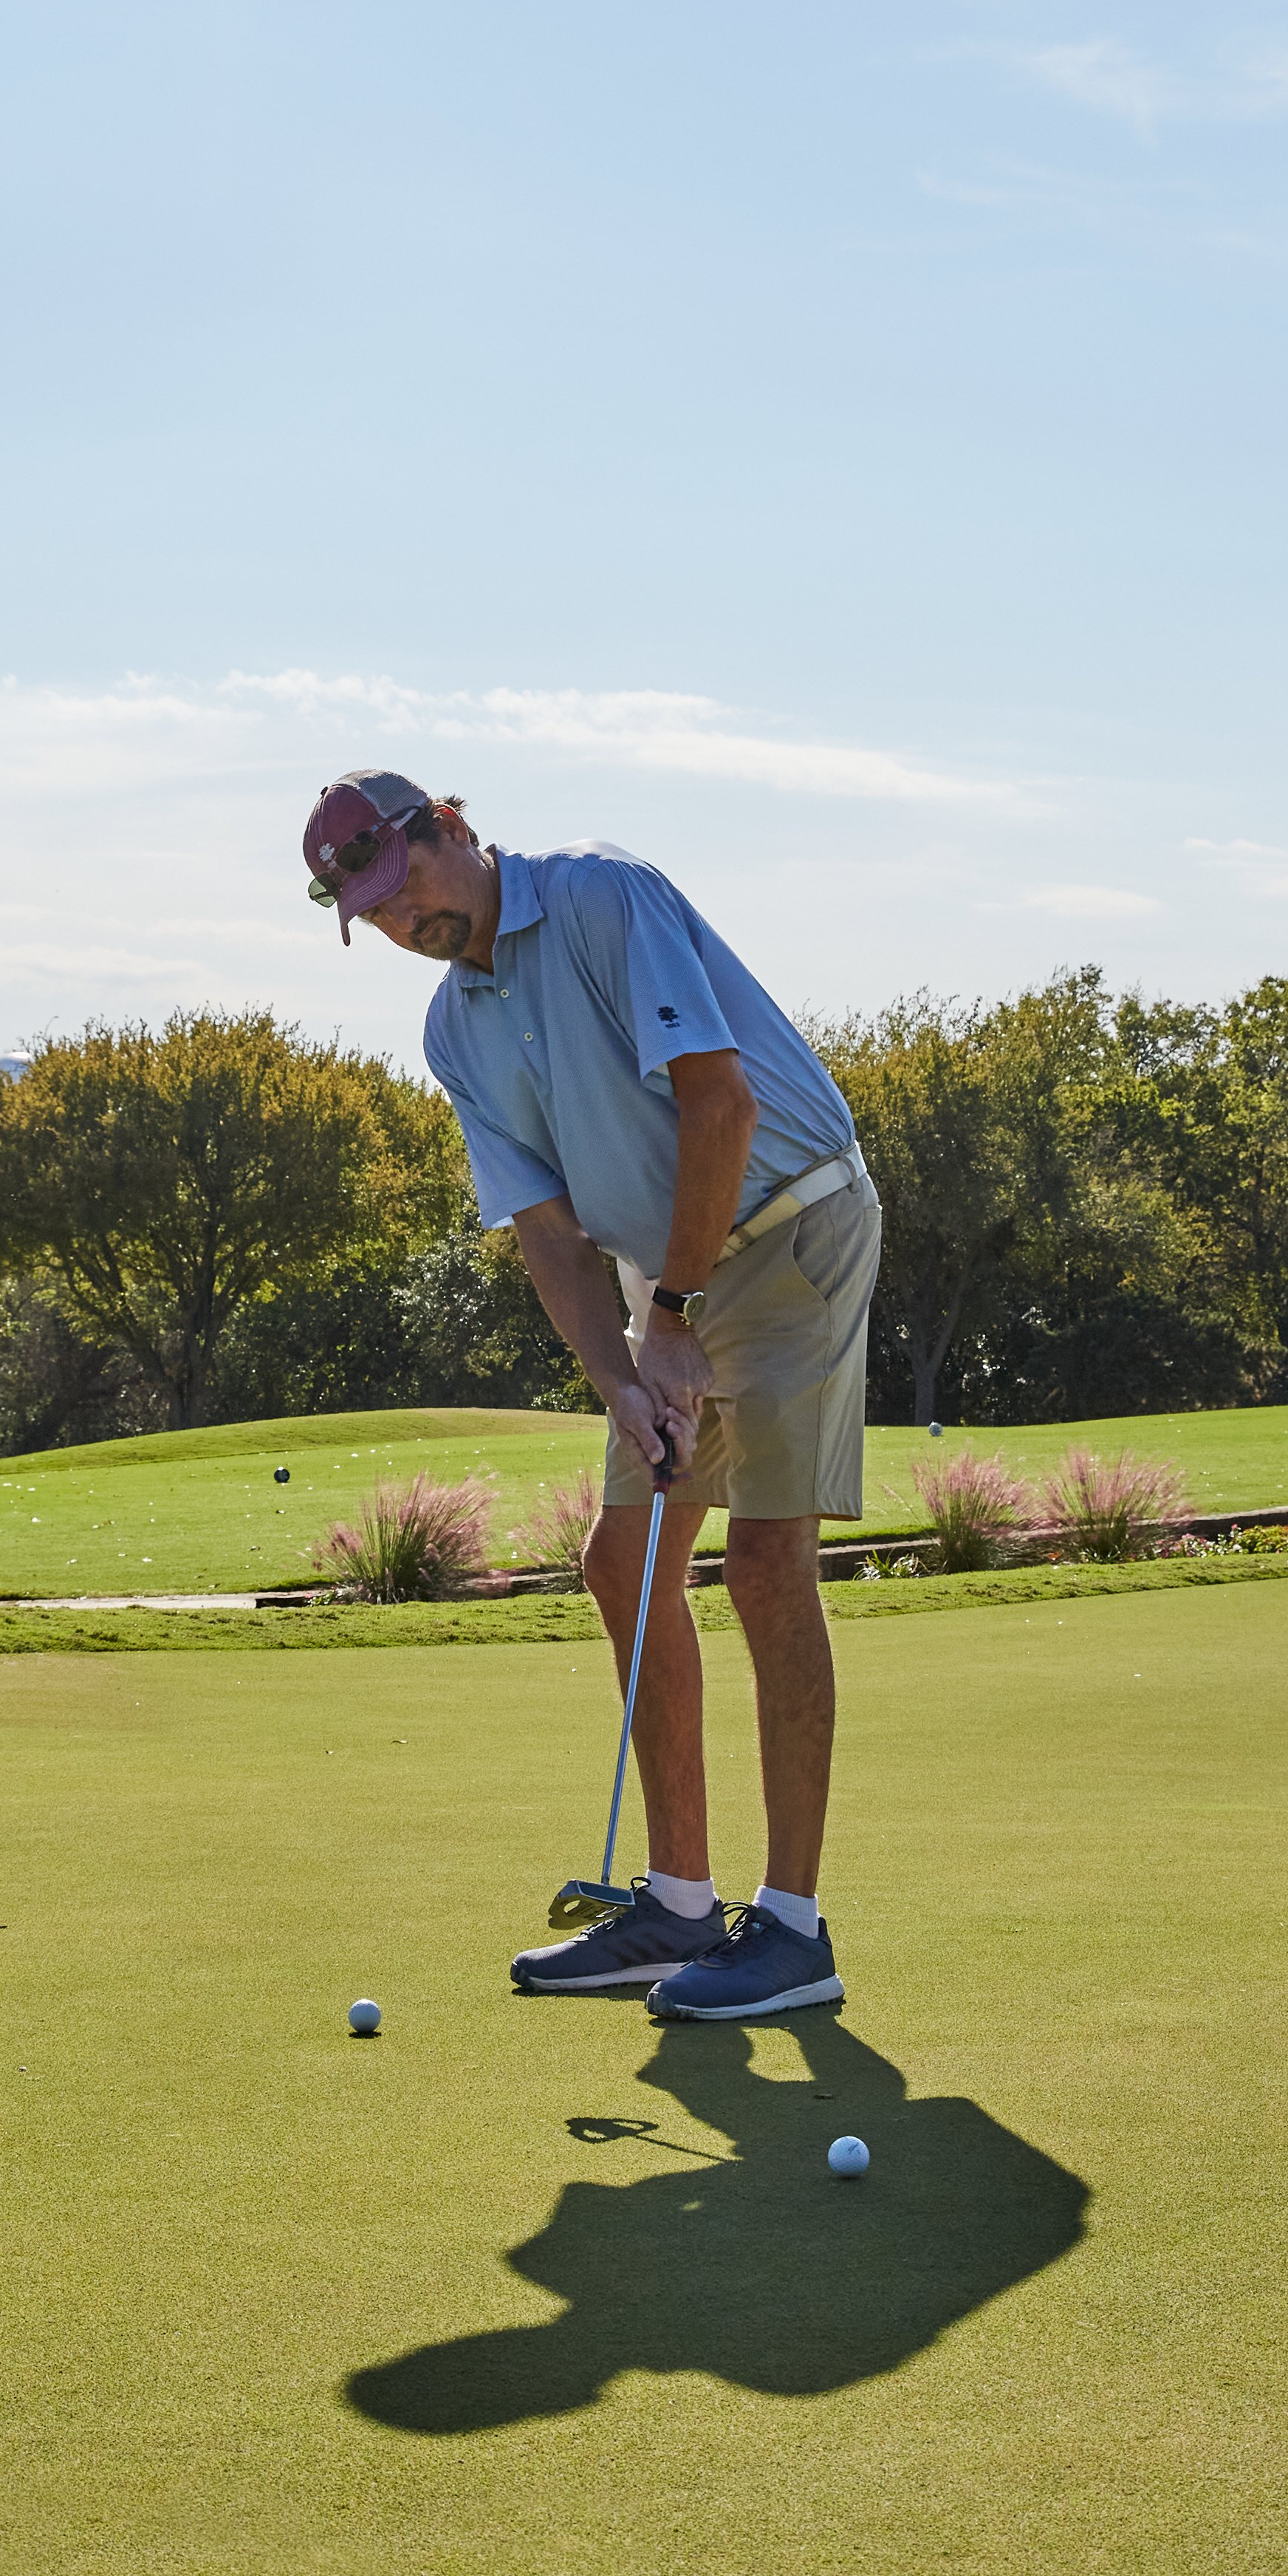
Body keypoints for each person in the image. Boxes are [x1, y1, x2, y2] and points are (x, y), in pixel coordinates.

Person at [304, 770, 880, 2021]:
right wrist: (622, 1379)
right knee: (625, 1564)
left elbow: (719, 1103)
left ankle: (793, 1929)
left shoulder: (602, 896)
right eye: (379, 916)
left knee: (765, 1563)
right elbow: (548, 1234)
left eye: (408, 886)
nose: (407, 922)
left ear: (453, 827)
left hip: (792, 1226)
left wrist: (669, 1320)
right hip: (666, 1274)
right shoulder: (453, 1034)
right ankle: (679, 1906)